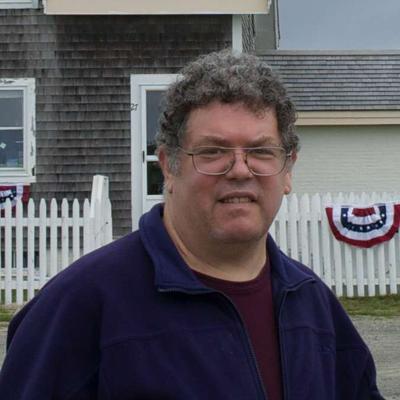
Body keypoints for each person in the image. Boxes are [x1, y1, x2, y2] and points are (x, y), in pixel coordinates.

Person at [0, 50, 383, 400]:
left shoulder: (312, 303)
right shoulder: (80, 306)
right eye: (213, 151)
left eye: (261, 151)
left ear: (287, 169)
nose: (240, 170)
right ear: (169, 166)